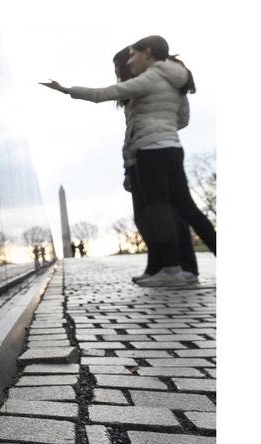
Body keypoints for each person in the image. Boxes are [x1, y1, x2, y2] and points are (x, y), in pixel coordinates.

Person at [42, 35, 216, 287]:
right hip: (172, 147)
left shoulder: (151, 76)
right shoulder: (176, 79)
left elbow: (106, 93)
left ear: (147, 53)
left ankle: (172, 272)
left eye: (133, 54)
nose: (130, 60)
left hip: (150, 151)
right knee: (188, 208)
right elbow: (184, 119)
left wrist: (66, 89)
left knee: (158, 212)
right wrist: (164, 127)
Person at [112, 47, 199, 284]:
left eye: (119, 64)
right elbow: (131, 132)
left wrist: (159, 134)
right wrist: (128, 167)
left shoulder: (149, 83)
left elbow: (181, 118)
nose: (119, 69)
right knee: (148, 217)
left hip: (153, 153)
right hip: (140, 155)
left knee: (169, 214)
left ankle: (181, 267)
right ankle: (159, 266)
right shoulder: (136, 90)